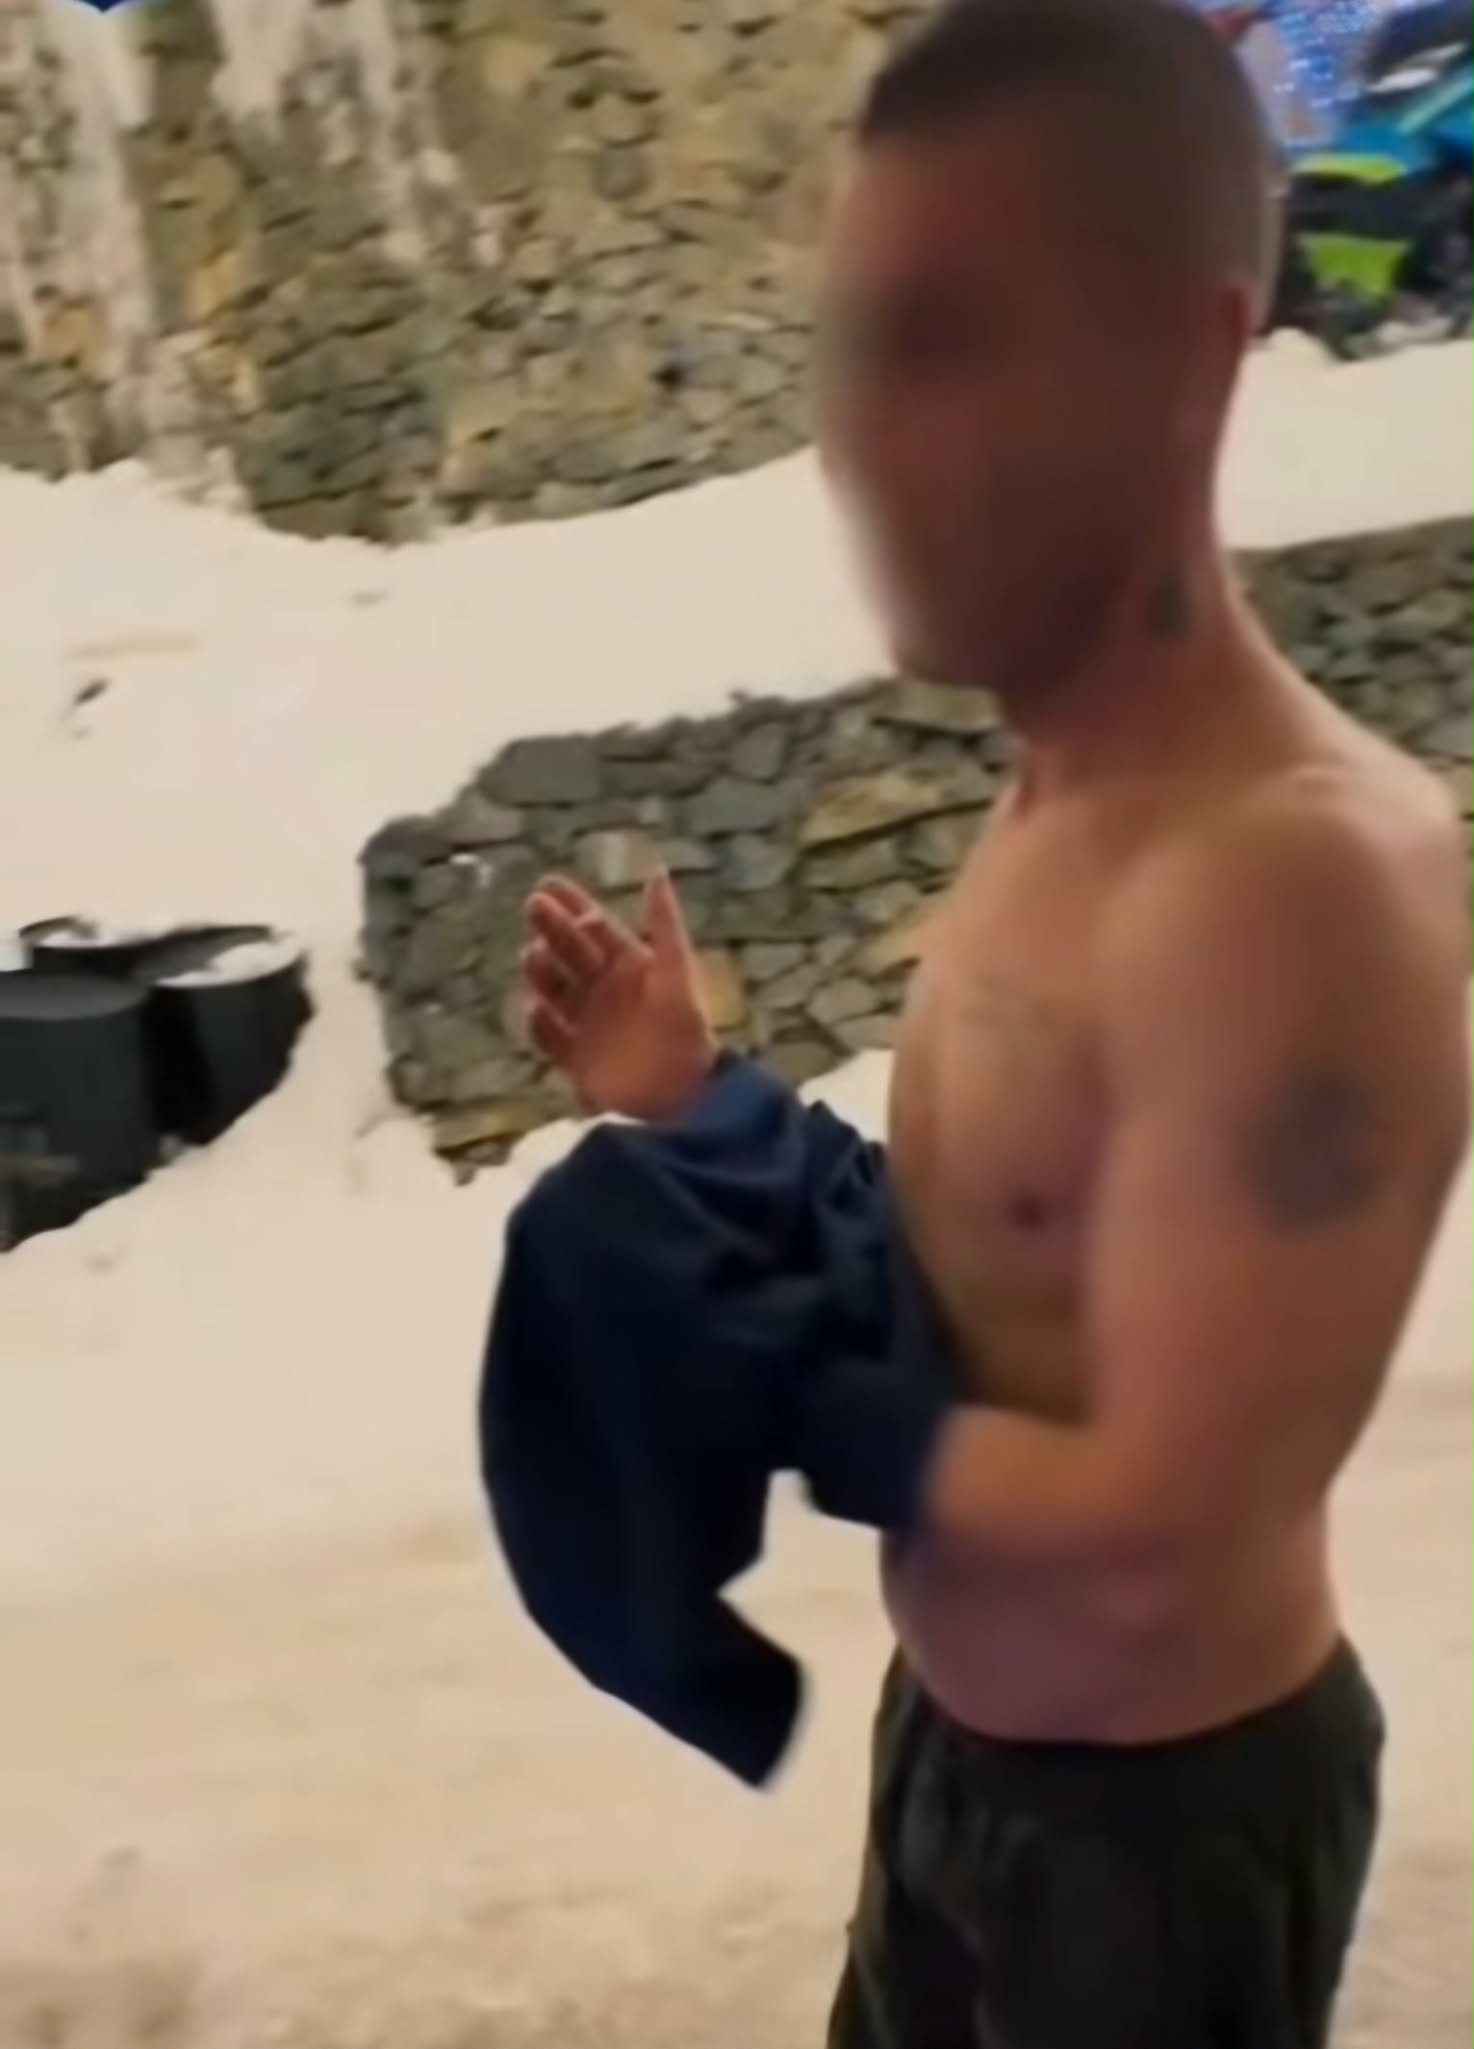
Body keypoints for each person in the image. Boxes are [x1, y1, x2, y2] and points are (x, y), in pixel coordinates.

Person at [519, 0, 1471, 2041]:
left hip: (1156, 1836)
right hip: (955, 1753)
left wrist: (775, 1371)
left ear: (1185, 360)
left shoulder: (1300, 879)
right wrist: (707, 1108)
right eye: (856, 344)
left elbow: (1157, 1522)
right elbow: (994, 1265)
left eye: (946, 343)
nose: (857, 434)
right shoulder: (1053, 801)